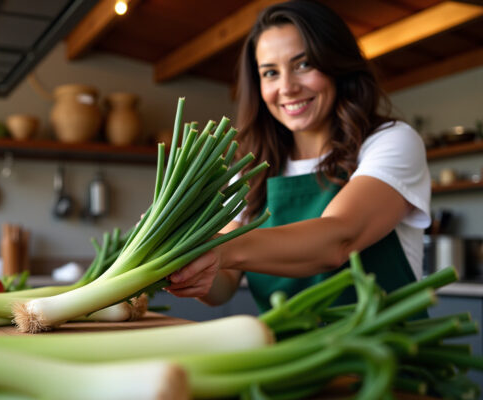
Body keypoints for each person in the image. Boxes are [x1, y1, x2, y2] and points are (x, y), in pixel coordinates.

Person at [166, 0, 431, 312]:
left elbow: (339, 239)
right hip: (291, 358)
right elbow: (222, 284)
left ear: (335, 64)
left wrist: (218, 249)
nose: (287, 87)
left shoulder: (391, 141)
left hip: (384, 354)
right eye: (270, 73)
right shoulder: (250, 167)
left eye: (303, 64)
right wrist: (182, 263)